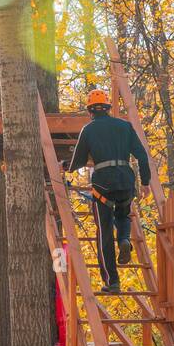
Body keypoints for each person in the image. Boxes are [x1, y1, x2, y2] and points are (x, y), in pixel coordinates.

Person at [66, 88, 151, 294]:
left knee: (104, 234)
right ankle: (124, 239)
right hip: (126, 181)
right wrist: (145, 182)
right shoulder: (125, 126)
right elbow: (142, 155)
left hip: (103, 184)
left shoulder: (89, 130)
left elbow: (77, 161)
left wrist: (64, 166)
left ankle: (112, 282)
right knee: (123, 215)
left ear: (91, 111)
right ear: (108, 108)